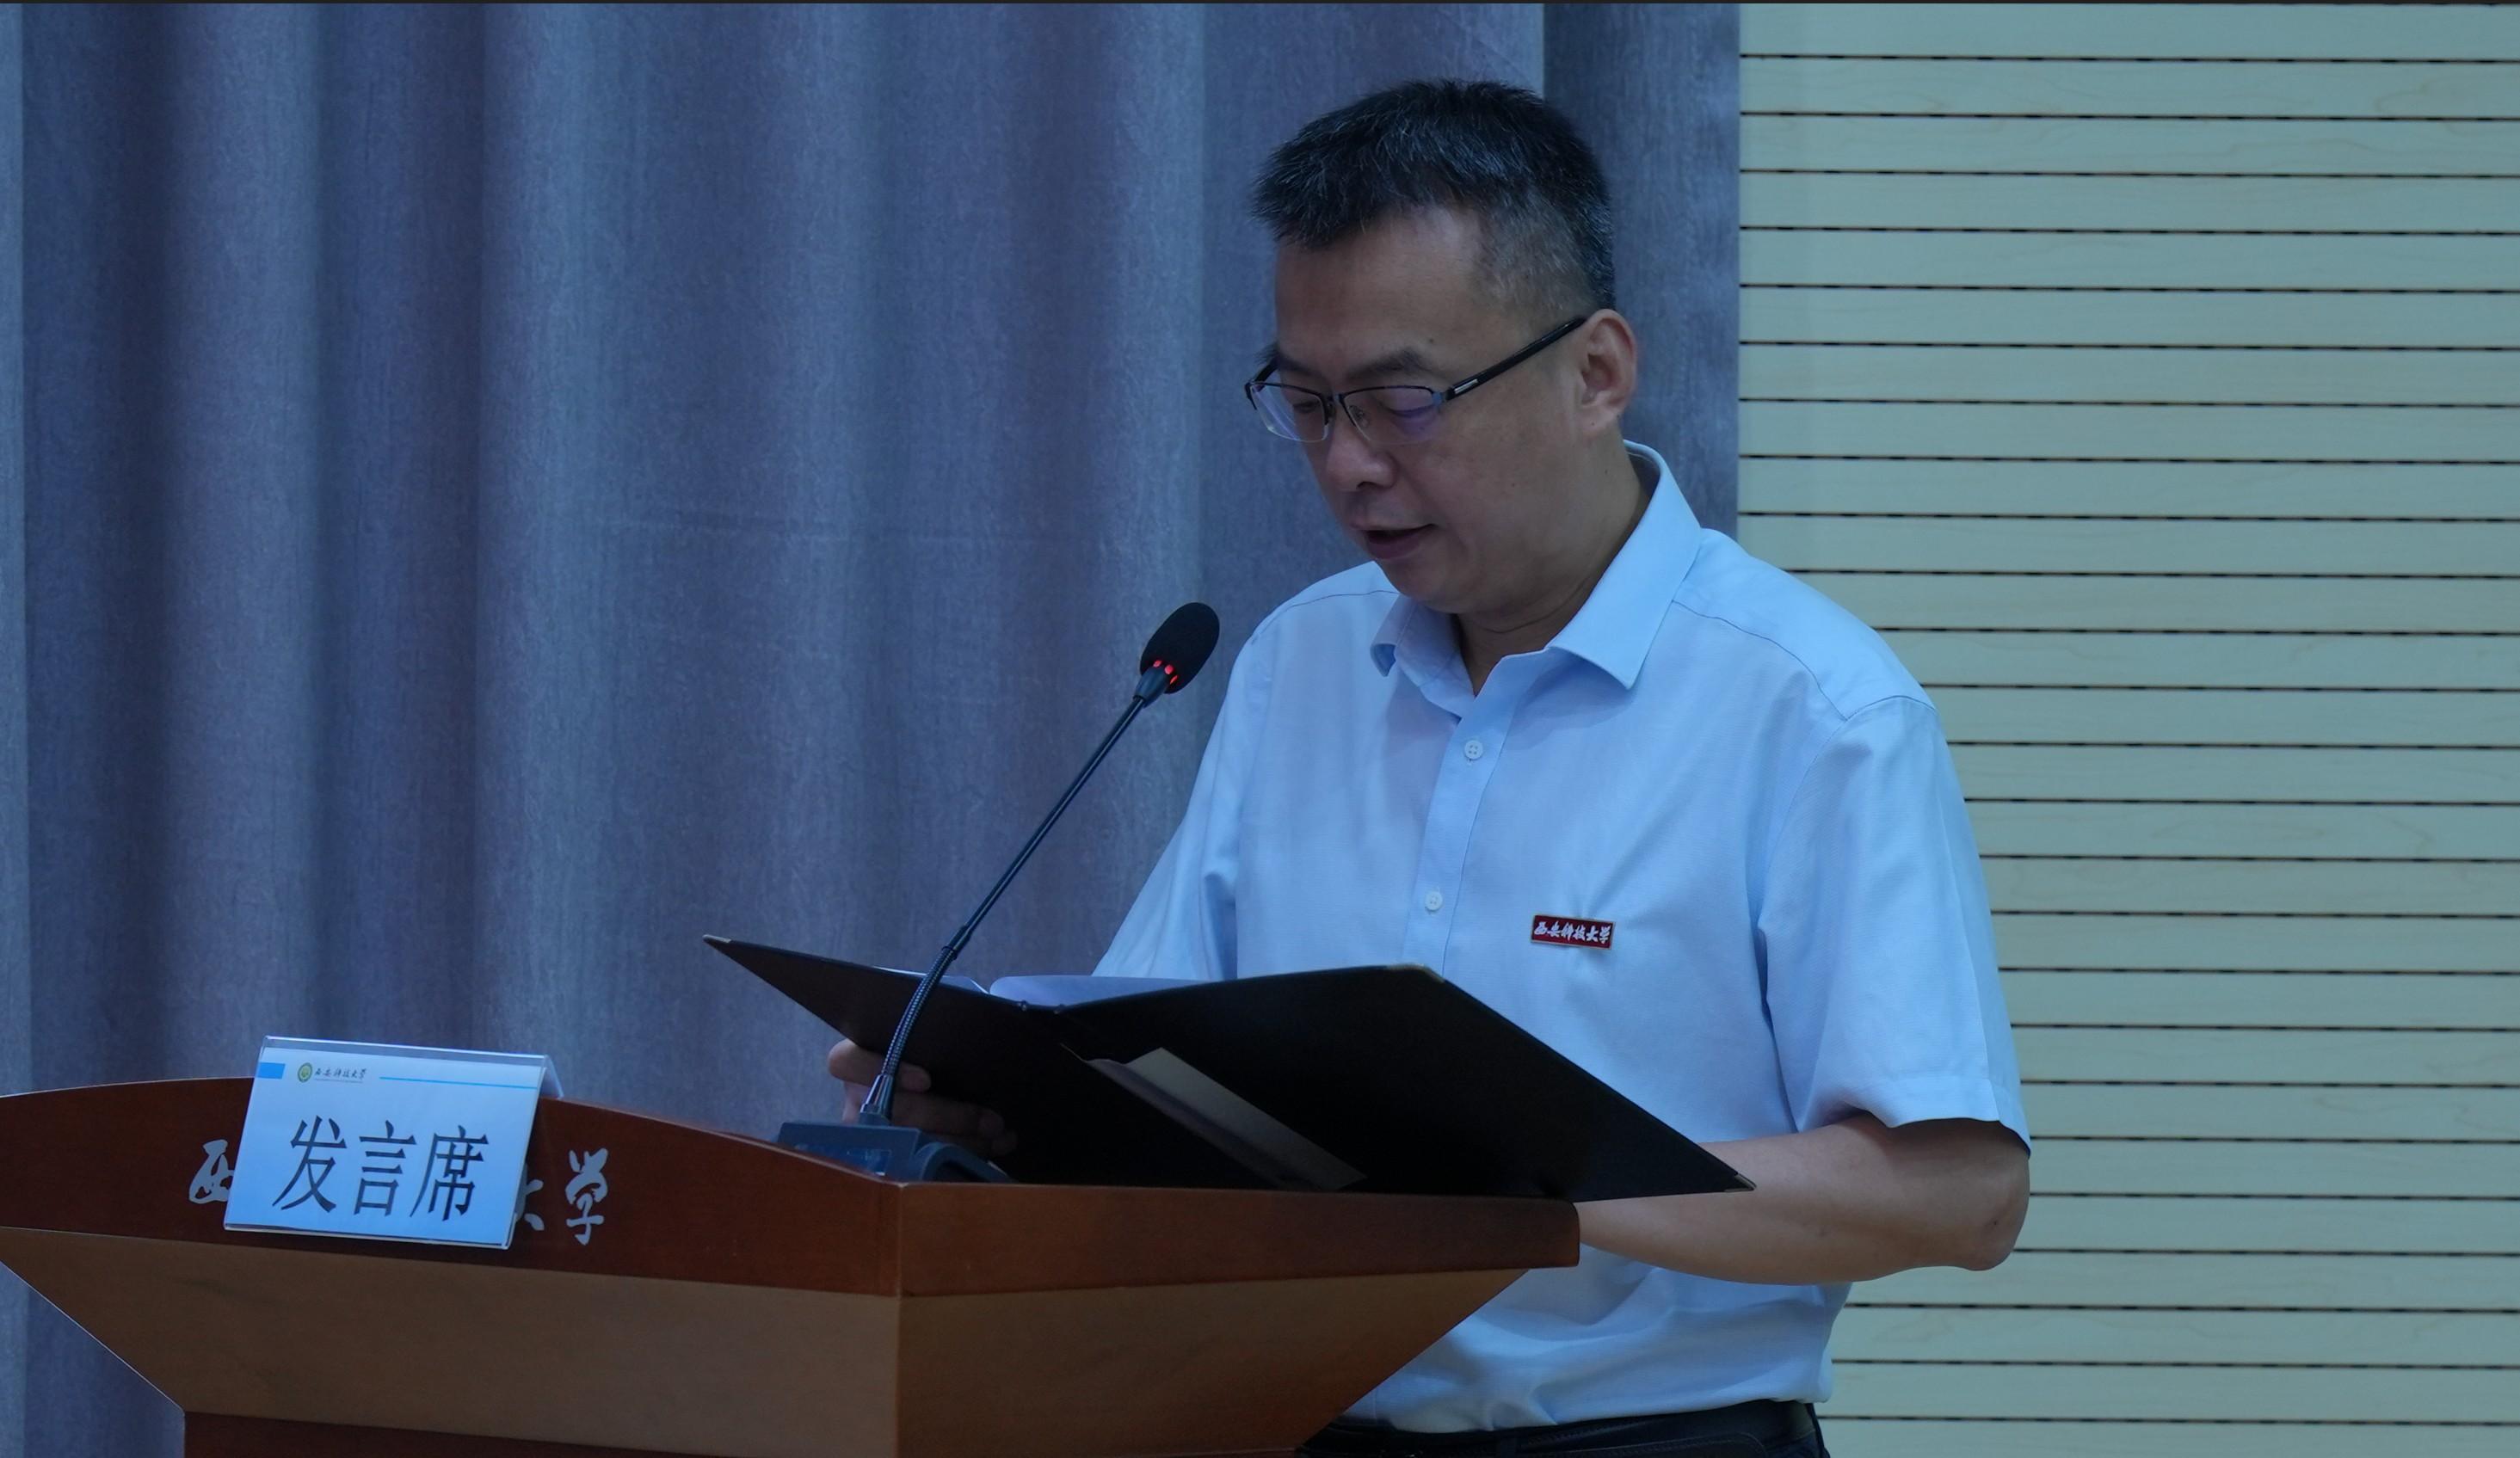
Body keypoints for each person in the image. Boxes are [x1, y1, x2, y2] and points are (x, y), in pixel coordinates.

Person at [829, 79, 2029, 1458]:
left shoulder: (1809, 708)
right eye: (1306, 403)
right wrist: (1005, 1114)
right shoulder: (1298, 661)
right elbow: (1165, 1071)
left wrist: (1525, 1189)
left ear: (1595, 374)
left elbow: (1956, 1194)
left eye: (1403, 402)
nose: (1347, 465)